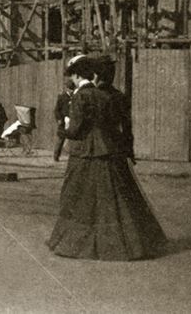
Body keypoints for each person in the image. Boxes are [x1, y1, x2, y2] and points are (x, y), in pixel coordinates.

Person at [47, 54, 166, 260]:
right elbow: (117, 127)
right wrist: (126, 149)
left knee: (79, 196)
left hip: (85, 152)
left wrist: (64, 129)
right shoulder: (111, 96)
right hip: (109, 151)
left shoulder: (81, 96)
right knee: (113, 198)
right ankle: (127, 243)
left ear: (79, 75)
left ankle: (77, 243)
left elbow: (75, 129)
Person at [52, 77, 74, 162]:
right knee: (60, 139)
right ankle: (56, 156)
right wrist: (59, 119)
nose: (71, 90)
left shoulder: (75, 96)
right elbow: (57, 110)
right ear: (67, 88)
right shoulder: (62, 97)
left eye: (72, 88)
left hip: (72, 120)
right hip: (63, 121)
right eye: (69, 89)